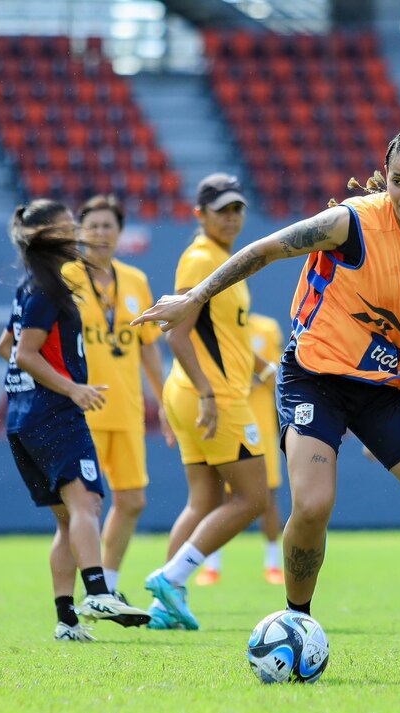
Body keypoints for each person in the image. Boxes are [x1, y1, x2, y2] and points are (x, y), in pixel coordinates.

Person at [132, 127, 400, 680]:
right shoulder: (350, 222)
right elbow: (264, 250)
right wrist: (193, 297)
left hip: (390, 385)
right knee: (312, 506)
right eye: (398, 181)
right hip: (316, 377)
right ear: (385, 176)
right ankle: (296, 623)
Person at [0, 199, 150, 641]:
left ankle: (66, 620)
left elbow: (8, 346)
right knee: (88, 505)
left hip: (24, 420)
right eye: (69, 228)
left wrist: (41, 382)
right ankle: (99, 591)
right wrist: (70, 387)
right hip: (55, 415)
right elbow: (24, 353)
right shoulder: (50, 289)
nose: (78, 235)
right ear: (49, 237)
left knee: (67, 519)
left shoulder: (32, 285)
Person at [144, 173, 268, 631]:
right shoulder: (200, 260)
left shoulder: (221, 259)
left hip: (199, 389)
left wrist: (261, 368)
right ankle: (171, 578)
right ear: (199, 215)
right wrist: (210, 393)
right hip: (212, 393)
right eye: (222, 210)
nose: (232, 218)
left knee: (203, 501)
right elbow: (176, 332)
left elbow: (222, 334)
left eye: (237, 209)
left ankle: (165, 605)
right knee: (254, 497)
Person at [62, 194, 174, 602]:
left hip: (125, 407)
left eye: (108, 226)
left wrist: (163, 401)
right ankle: (83, 592)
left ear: (119, 232)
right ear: (79, 231)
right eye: (92, 226)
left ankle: (107, 584)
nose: (100, 233)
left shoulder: (135, 280)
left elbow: (147, 346)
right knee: (86, 504)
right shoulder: (66, 277)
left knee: (132, 500)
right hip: (82, 408)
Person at [196, 311, 286, 586]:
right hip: (227, 416)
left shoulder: (267, 328)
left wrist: (257, 379)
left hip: (259, 420)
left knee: (267, 494)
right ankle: (211, 565)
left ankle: (273, 563)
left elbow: (279, 371)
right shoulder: (219, 328)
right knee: (220, 494)